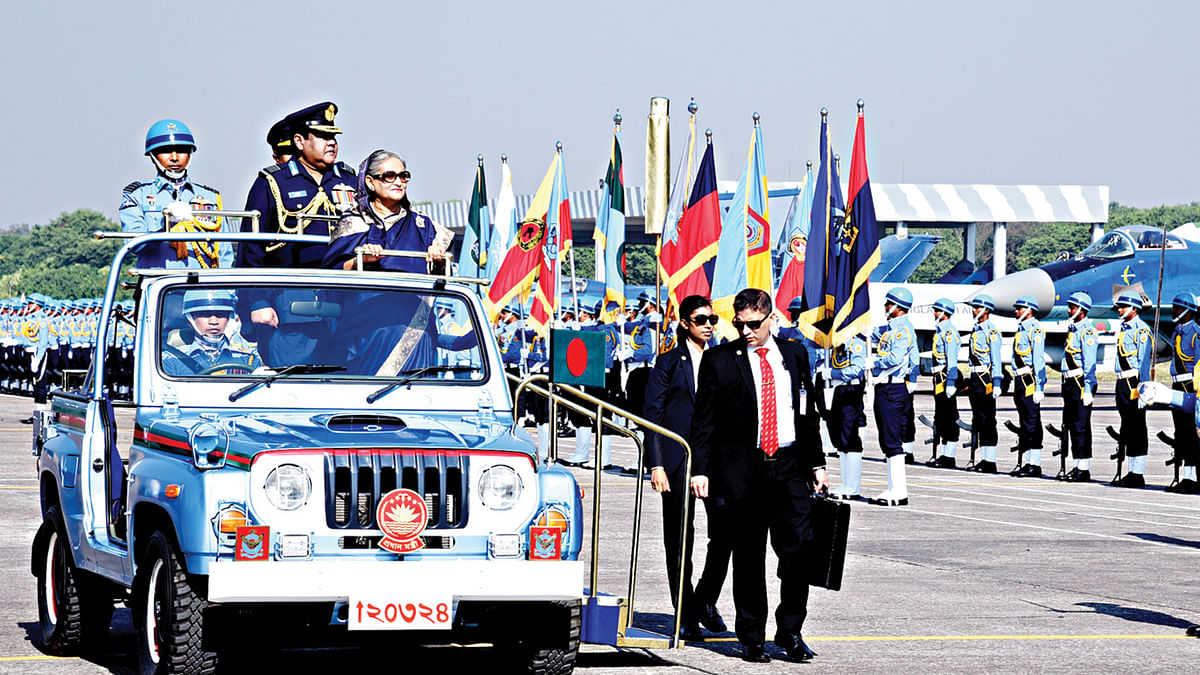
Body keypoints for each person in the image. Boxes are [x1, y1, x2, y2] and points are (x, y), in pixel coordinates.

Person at [689, 288, 828, 664]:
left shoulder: (796, 355)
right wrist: (700, 471)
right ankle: (751, 636)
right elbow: (703, 422)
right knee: (748, 557)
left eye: (754, 324)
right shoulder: (720, 360)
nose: (747, 331)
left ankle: (790, 632)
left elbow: (807, 414)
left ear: (772, 320)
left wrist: (817, 464)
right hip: (743, 472)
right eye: (740, 324)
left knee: (799, 551)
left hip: (789, 467)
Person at [237, 102, 357, 366]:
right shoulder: (273, 182)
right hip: (290, 307)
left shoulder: (349, 180)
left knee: (346, 386)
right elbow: (250, 250)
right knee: (291, 387)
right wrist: (256, 302)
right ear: (300, 141)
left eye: (334, 137)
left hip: (345, 305)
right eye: (324, 137)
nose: (331, 143)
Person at [643, 295, 732, 640]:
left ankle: (705, 600)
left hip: (715, 462)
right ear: (685, 324)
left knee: (726, 533)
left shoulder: (724, 359)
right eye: (701, 319)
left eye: (712, 318)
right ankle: (685, 612)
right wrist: (657, 465)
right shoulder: (669, 362)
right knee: (680, 539)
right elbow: (652, 416)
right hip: (678, 460)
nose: (709, 324)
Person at [120, 118, 233, 269]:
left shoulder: (210, 198)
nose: (174, 157)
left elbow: (224, 253)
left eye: (181, 150)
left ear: (190, 154)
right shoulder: (137, 195)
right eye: (166, 151)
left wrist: (224, 290)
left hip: (201, 287)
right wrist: (166, 224)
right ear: (153, 155)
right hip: (158, 286)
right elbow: (134, 245)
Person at [323, 149, 452, 273]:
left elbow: (442, 279)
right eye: (389, 176)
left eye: (403, 176)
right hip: (363, 293)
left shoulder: (423, 225)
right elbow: (331, 273)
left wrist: (438, 259)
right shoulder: (353, 222)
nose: (398, 183)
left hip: (411, 294)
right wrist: (361, 260)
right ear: (370, 182)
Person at [869, 287, 917, 506]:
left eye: (889, 304)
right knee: (887, 441)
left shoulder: (902, 330)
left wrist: (875, 362)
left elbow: (896, 359)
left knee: (892, 441)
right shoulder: (891, 329)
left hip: (893, 388)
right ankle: (893, 488)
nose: (886, 307)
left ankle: (898, 491)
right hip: (885, 388)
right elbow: (873, 334)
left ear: (898, 307)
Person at [162, 290, 259, 376]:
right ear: (190, 319)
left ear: (229, 318)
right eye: (205, 315)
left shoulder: (247, 358)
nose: (214, 322)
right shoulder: (172, 360)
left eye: (221, 315)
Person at [1112, 292, 1153, 487]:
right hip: (1122, 382)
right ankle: (1130, 470)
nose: (1119, 309)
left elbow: (1144, 363)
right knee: (1126, 426)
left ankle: (1138, 472)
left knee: (1137, 426)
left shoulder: (1141, 330)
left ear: (1134, 309)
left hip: (1134, 382)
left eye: (1123, 306)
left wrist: (1144, 389)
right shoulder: (1123, 328)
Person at [1061, 292, 1098, 482]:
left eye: (1073, 307)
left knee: (1081, 426)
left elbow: (1090, 363)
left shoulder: (1087, 332)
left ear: (1082, 310)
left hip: (1080, 383)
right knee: (1072, 425)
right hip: (1069, 383)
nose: (1069, 310)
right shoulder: (1073, 330)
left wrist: (1088, 388)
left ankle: (1083, 468)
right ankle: (1076, 465)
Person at [1166, 293, 1199, 493]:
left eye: (1177, 308)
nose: (1174, 311)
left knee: (1191, 433)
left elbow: (1199, 365)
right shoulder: (1176, 333)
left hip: (1190, 386)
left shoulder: (1196, 334)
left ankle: (1192, 478)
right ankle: (1184, 477)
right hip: (1177, 385)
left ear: (1188, 311)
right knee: (1181, 433)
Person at [967, 295, 1004, 473]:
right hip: (975, 378)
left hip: (985, 379)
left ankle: (990, 460)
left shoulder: (991, 332)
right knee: (978, 418)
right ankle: (982, 458)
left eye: (977, 307)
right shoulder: (976, 330)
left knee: (988, 419)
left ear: (986, 310)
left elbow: (996, 359)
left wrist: (997, 382)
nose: (974, 310)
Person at [1010, 295, 1047, 477]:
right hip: (1019, 380)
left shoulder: (1035, 330)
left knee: (1032, 422)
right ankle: (1027, 461)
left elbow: (1038, 360)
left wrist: (1040, 386)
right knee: (1024, 421)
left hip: (1029, 381)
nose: (1016, 312)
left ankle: (1035, 463)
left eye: (1019, 308)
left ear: (1029, 310)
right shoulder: (1021, 330)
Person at [926, 298, 962, 468]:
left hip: (945, 378)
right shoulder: (940, 331)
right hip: (938, 378)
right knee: (941, 416)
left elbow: (952, 361)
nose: (934, 313)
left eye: (937, 310)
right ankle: (943, 454)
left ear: (944, 313)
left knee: (949, 416)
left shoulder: (949, 334)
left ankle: (949, 456)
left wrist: (951, 383)